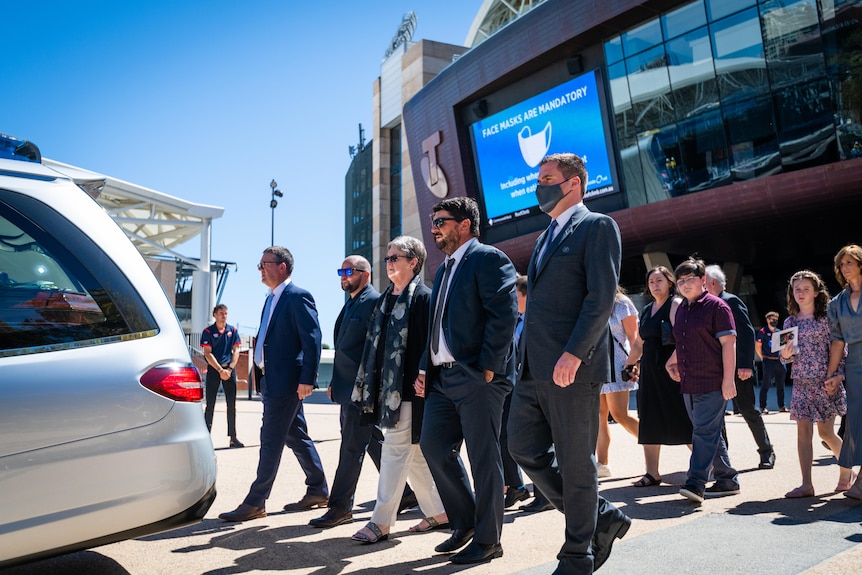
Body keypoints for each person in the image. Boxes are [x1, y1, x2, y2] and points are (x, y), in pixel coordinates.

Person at [507, 153, 631, 574]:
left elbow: (600, 297)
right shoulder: (545, 237)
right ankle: (600, 516)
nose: (538, 186)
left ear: (573, 184)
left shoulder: (597, 226)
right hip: (532, 368)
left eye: (546, 178)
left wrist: (575, 353)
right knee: (521, 446)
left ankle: (579, 553)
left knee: (577, 462)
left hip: (570, 369)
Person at [417, 196, 518, 565]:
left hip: (478, 376)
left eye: (441, 221)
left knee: (483, 458)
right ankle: (466, 522)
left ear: (464, 224)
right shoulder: (443, 269)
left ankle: (490, 540)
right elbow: (436, 326)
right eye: (433, 222)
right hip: (443, 379)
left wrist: (488, 366)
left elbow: (504, 314)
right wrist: (425, 367)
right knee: (434, 446)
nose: (434, 229)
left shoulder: (488, 258)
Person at [219, 247, 329, 522]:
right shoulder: (271, 298)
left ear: (282, 267)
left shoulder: (297, 296)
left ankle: (256, 501)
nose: (259, 269)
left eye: (263, 264)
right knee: (296, 436)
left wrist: (307, 379)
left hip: (288, 382)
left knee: (270, 439)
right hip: (272, 381)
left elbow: (312, 339)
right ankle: (318, 489)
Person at [349, 236, 448, 543]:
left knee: (393, 450)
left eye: (395, 257)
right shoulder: (385, 300)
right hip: (386, 390)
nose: (389, 262)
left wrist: (424, 373)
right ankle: (441, 511)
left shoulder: (424, 298)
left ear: (413, 262)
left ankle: (380, 522)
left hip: (409, 391)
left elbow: (433, 341)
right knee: (414, 454)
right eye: (388, 258)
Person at [310, 256, 415, 529]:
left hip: (362, 390)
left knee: (351, 447)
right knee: (371, 441)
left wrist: (371, 385)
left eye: (349, 271)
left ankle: (340, 507)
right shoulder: (352, 303)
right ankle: (405, 494)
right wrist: (335, 382)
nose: (343, 276)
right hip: (347, 388)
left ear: (365, 274)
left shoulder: (374, 302)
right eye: (341, 271)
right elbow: (344, 351)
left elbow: (377, 348)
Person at [666, 257, 739, 503]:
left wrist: (729, 380)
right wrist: (673, 361)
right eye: (681, 280)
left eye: (690, 279)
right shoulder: (682, 308)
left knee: (703, 432)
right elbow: (684, 341)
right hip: (689, 381)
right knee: (708, 432)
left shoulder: (717, 307)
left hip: (712, 381)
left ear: (703, 280)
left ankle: (696, 482)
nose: (685, 284)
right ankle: (727, 479)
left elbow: (729, 344)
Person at [781, 270, 850, 498]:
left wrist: (837, 376)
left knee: (826, 434)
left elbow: (841, 350)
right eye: (796, 289)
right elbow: (784, 357)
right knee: (802, 433)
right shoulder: (790, 321)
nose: (800, 293)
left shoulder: (828, 319)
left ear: (817, 292)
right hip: (801, 383)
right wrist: (786, 354)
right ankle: (806, 484)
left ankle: (847, 472)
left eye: (805, 289)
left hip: (825, 382)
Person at [624, 266, 691, 488]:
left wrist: (675, 362)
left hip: (673, 371)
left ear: (670, 283)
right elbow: (639, 343)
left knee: (682, 418)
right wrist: (629, 364)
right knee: (649, 420)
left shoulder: (675, 304)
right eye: (651, 281)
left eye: (659, 280)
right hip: (651, 372)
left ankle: (706, 466)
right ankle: (652, 473)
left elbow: (684, 337)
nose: (655, 285)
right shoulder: (647, 309)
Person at [705, 265, 776, 469]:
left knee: (747, 409)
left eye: (704, 282)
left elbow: (746, 333)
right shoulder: (707, 305)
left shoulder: (730, 301)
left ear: (713, 283)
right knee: (718, 415)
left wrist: (746, 365)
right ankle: (723, 460)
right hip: (716, 369)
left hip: (737, 368)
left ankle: (766, 451)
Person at [826, 245, 862, 499]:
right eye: (842, 264)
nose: (845, 267)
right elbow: (837, 341)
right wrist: (832, 374)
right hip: (855, 365)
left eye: (850, 262)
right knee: (856, 423)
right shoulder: (837, 302)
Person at [596, 287, 640, 479]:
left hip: (619, 365)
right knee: (599, 416)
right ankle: (602, 464)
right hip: (597, 366)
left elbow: (634, 338)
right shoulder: (592, 301)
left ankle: (652, 440)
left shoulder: (622, 303)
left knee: (620, 415)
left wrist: (635, 363)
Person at [501, 274, 530, 508]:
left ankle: (525, 488)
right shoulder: (517, 319)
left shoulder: (533, 320)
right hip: (513, 385)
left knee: (522, 438)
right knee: (504, 436)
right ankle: (516, 485)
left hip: (527, 386)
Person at [200, 304, 243, 448]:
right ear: (214, 315)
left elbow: (236, 351)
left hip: (229, 370)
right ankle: (206, 438)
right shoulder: (208, 331)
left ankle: (233, 437)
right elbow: (207, 353)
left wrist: (229, 369)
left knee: (232, 405)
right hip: (214, 370)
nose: (224, 316)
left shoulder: (233, 330)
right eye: (221, 313)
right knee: (210, 404)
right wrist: (220, 370)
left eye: (225, 313)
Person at [756, 311, 787, 413]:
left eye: (776, 320)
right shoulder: (763, 332)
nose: (774, 321)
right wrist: (762, 358)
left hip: (779, 361)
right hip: (768, 361)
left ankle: (781, 406)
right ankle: (762, 406)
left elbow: (783, 347)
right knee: (766, 384)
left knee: (781, 385)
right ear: (767, 320)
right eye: (772, 319)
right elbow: (758, 346)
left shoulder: (779, 332)